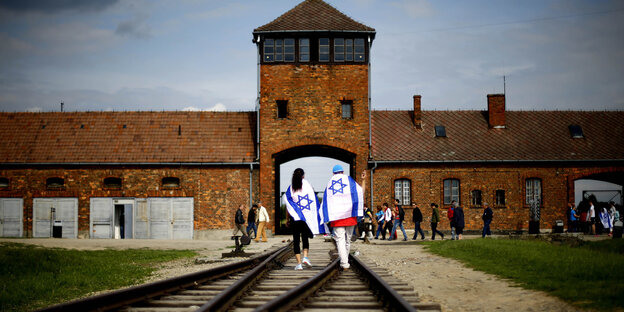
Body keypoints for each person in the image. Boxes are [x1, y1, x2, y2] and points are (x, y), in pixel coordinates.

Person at [321, 165, 366, 271]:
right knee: (347, 240)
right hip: (350, 217)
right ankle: (345, 260)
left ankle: (344, 263)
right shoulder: (349, 181)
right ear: (343, 172)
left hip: (337, 219)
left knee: (340, 240)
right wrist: (363, 180)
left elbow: (325, 201)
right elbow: (361, 193)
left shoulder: (329, 184)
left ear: (333, 173)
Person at [283, 168, 327, 270]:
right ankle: (305, 257)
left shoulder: (291, 188)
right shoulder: (308, 186)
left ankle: (299, 264)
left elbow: (288, 206)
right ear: (303, 176)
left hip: (295, 218)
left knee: (296, 240)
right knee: (305, 237)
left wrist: (287, 219)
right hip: (305, 219)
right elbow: (314, 201)